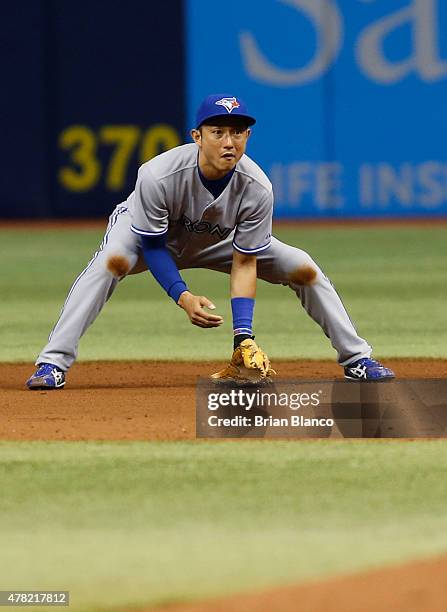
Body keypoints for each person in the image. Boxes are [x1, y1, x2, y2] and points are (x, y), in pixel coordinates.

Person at [26, 94, 394, 390]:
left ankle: (357, 359)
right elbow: (154, 247)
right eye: (217, 131)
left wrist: (242, 337)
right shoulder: (158, 174)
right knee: (111, 262)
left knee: (304, 268)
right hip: (150, 237)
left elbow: (246, 260)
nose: (229, 141)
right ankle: (52, 363)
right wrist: (183, 296)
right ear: (197, 137)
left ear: (248, 137)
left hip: (221, 242)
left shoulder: (258, 187)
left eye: (238, 132)